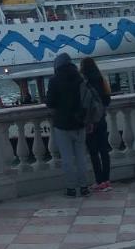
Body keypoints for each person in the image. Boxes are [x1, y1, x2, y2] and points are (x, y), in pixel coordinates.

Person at [45, 52, 91, 198]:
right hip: (80, 123)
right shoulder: (80, 78)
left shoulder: (54, 80)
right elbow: (86, 101)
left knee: (67, 159)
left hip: (62, 124)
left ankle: (71, 188)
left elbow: (50, 103)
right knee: (81, 157)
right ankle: (84, 186)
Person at [80, 56, 113, 191]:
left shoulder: (84, 82)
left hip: (90, 121)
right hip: (102, 118)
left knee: (93, 152)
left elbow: (84, 103)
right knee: (104, 150)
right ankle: (106, 180)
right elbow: (107, 99)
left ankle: (99, 180)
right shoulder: (101, 79)